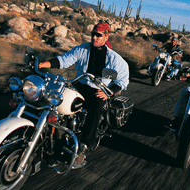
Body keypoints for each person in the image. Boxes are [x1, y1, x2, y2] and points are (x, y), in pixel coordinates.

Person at [38, 22, 129, 168]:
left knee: (96, 107)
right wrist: (43, 64)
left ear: (106, 36)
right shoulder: (82, 49)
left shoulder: (114, 59)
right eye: (93, 34)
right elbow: (64, 60)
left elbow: (123, 79)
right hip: (79, 83)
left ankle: (84, 145)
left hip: (98, 88)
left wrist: (109, 93)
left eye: (98, 35)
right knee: (56, 99)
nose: (94, 38)